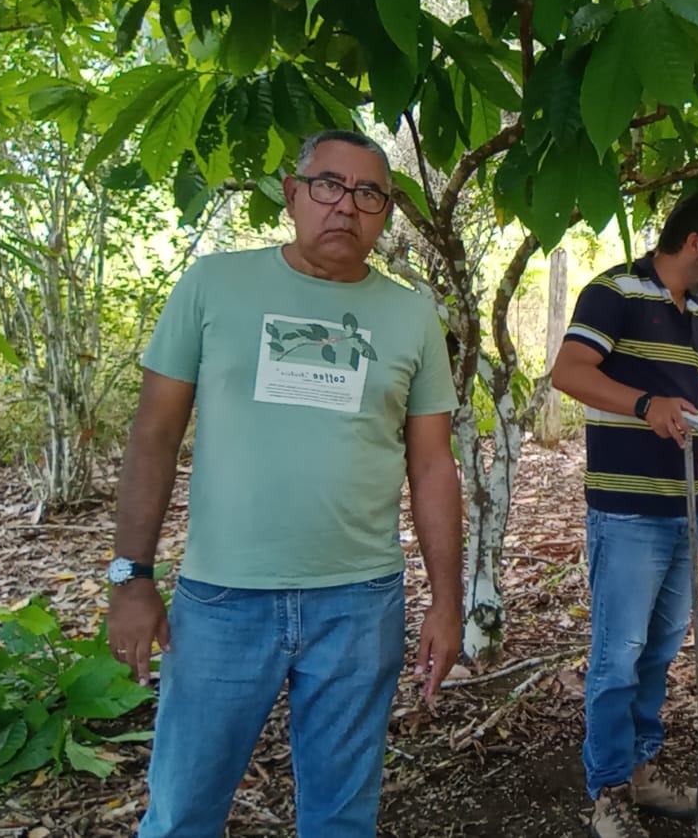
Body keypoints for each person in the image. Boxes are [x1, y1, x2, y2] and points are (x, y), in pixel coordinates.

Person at [107, 129, 464, 837]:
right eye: (329, 185)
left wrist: (447, 602)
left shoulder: (411, 315)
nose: (346, 206)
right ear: (292, 194)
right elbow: (153, 436)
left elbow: (432, 465)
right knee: (182, 814)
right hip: (223, 598)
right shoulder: (213, 284)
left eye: (368, 194)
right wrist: (131, 575)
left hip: (359, 602)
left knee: (341, 819)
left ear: (386, 213)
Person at [551, 192, 698, 838]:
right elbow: (568, 371)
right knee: (617, 656)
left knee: (659, 652)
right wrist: (645, 404)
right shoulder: (613, 291)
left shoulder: (696, 317)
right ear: (693, 242)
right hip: (626, 514)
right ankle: (608, 791)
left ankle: (640, 769)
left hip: (684, 512)